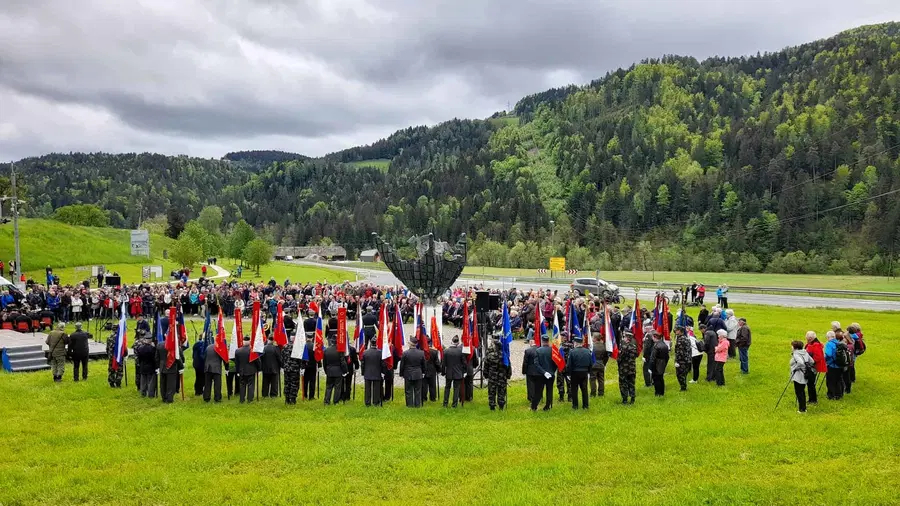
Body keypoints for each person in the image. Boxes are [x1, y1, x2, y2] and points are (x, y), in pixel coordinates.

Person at [483, 336, 511, 410]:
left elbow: (486, 366)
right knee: (501, 391)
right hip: (502, 377)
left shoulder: (490, 355)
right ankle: (501, 405)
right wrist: (508, 376)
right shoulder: (504, 356)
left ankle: (492, 405)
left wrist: (485, 375)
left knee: (492, 392)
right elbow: (508, 366)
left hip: (492, 377)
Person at [532, 335, 557, 411]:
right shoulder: (553, 350)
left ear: (542, 341)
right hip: (551, 374)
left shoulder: (538, 351)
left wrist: (544, 372)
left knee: (538, 391)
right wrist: (552, 371)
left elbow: (536, 364)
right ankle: (547, 406)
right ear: (548, 341)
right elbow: (556, 363)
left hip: (540, 375)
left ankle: (534, 406)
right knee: (549, 391)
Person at [790, 340, 815, 413]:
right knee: (802, 392)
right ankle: (803, 408)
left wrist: (795, 368)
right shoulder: (805, 352)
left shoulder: (796, 354)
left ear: (795, 347)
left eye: (792, 346)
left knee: (799, 392)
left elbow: (800, 362)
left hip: (798, 376)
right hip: (805, 374)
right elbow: (812, 361)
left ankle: (802, 409)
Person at [566, 339, 592, 409]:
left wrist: (568, 374)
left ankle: (575, 406)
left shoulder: (572, 352)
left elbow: (569, 364)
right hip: (584, 372)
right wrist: (589, 372)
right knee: (584, 389)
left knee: (574, 389)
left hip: (575, 373)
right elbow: (590, 363)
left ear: (576, 343)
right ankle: (585, 406)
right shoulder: (587, 351)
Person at [400, 337, 426, 408]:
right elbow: (424, 364)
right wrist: (423, 372)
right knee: (418, 390)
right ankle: (417, 404)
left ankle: (409, 405)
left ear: (410, 344)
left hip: (408, 373)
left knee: (408, 390)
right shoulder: (421, 353)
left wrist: (401, 374)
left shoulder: (405, 353)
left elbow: (402, 365)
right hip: (418, 373)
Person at [442, 335, 466, 408]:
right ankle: (454, 404)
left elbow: (443, 364)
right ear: (458, 343)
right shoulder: (461, 351)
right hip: (458, 373)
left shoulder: (446, 351)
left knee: (447, 388)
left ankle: (445, 403)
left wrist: (443, 372)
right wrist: (464, 372)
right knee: (456, 389)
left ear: (451, 342)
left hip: (449, 373)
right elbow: (464, 363)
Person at [235, 335, 260, 403]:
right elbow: (257, 361)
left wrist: (237, 371)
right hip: (251, 370)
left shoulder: (238, 351)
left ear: (243, 341)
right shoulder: (252, 351)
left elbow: (237, 363)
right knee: (251, 385)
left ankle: (242, 399)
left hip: (242, 371)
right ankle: (250, 399)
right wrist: (259, 369)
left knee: (242, 385)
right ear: (249, 341)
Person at [322, 337, 348, 405]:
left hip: (329, 371)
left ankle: (326, 401)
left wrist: (326, 371)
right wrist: (345, 371)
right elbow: (343, 362)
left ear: (331, 342)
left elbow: (324, 363)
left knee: (328, 387)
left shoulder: (326, 350)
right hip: (338, 371)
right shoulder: (340, 350)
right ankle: (335, 401)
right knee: (337, 388)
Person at [157, 338, 183, 403]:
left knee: (163, 383)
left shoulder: (159, 345)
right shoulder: (174, 345)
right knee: (171, 384)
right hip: (172, 366)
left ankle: (164, 398)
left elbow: (157, 357)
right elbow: (178, 357)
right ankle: (169, 399)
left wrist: (157, 367)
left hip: (162, 366)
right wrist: (181, 366)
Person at [361, 337, 383, 407]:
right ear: (376, 344)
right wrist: (383, 372)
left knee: (367, 389)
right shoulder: (380, 352)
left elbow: (362, 364)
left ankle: (367, 402)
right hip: (377, 372)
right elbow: (382, 364)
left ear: (370, 343)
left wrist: (362, 372)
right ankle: (376, 402)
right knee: (376, 389)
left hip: (367, 373)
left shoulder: (365, 352)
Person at [805, 331, 825, 405]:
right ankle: (811, 399)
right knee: (810, 383)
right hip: (811, 366)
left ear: (810, 338)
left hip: (813, 367)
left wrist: (810, 362)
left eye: (807, 338)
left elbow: (818, 357)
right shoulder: (811, 343)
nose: (806, 339)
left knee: (811, 384)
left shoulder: (816, 345)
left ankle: (813, 400)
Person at [134, 332, 157, 398]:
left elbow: (139, 358)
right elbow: (154, 359)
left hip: (143, 366)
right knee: (151, 382)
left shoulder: (140, 348)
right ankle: (150, 394)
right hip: (151, 367)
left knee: (143, 381)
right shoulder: (152, 349)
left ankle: (143, 393)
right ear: (150, 341)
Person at [823, 330, 845, 400]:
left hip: (832, 365)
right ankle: (839, 394)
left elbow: (828, 354)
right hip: (840, 365)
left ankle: (831, 395)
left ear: (828, 337)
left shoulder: (829, 344)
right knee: (838, 380)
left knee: (830, 381)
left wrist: (824, 360)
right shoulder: (839, 343)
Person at [617, 332, 637, 404]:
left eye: (624, 337)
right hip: (632, 369)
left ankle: (625, 399)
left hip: (624, 369)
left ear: (627, 338)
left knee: (623, 384)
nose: (623, 338)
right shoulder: (634, 346)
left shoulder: (624, 347)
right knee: (631, 383)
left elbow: (620, 358)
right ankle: (632, 398)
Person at [203, 339, 225, 403]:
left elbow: (204, 357)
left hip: (208, 367)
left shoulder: (208, 347)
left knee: (207, 383)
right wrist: (226, 367)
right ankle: (217, 398)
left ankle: (206, 397)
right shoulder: (220, 348)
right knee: (217, 384)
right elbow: (224, 358)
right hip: (216, 368)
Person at [281, 338, 302, 405]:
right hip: (294, 369)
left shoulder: (285, 346)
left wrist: (283, 366)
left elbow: (282, 357)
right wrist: (301, 366)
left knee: (287, 384)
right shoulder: (297, 347)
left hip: (287, 369)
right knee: (294, 384)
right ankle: (292, 399)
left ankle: (287, 399)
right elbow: (300, 359)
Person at [649, 332, 669, 396]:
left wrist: (650, 367)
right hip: (663, 364)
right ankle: (662, 392)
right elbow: (667, 357)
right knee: (661, 378)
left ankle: (657, 393)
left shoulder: (656, 346)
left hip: (656, 364)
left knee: (656, 379)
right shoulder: (664, 345)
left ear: (655, 337)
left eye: (652, 337)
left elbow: (652, 358)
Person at [421, 338, 441, 402]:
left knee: (424, 385)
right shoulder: (434, 351)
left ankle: (424, 398)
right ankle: (433, 398)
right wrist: (439, 370)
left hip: (424, 370)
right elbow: (437, 362)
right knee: (432, 385)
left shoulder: (422, 351)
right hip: (432, 370)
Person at [523, 340, 541, 405]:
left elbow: (525, 362)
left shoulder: (528, 351)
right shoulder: (540, 350)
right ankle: (539, 397)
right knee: (538, 385)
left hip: (530, 371)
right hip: (539, 370)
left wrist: (524, 371)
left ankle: (531, 398)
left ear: (531, 343)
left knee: (530, 385)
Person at [673, 326, 691, 391]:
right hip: (687, 359)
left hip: (682, 360)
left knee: (680, 375)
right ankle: (684, 387)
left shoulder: (681, 339)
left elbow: (679, 351)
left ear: (680, 331)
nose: (675, 331)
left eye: (677, 330)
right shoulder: (686, 338)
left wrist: (677, 361)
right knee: (684, 374)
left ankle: (683, 388)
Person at [590, 333, 606, 397]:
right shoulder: (603, 345)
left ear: (595, 338)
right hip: (601, 364)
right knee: (601, 379)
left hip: (593, 364)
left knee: (592, 379)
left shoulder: (592, 346)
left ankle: (593, 393)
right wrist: (603, 363)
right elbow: (606, 356)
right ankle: (601, 393)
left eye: (593, 337)